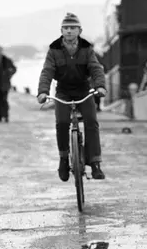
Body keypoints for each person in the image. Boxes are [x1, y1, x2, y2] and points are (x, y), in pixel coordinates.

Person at [37, 12, 107, 181]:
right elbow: (47, 71)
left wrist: (100, 86)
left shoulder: (87, 48)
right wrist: (43, 92)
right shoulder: (54, 50)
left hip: (84, 89)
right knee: (62, 123)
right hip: (63, 91)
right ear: (61, 30)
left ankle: (95, 163)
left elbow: (95, 68)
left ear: (79, 31)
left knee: (91, 121)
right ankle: (63, 160)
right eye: (66, 28)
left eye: (73, 28)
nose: (69, 31)